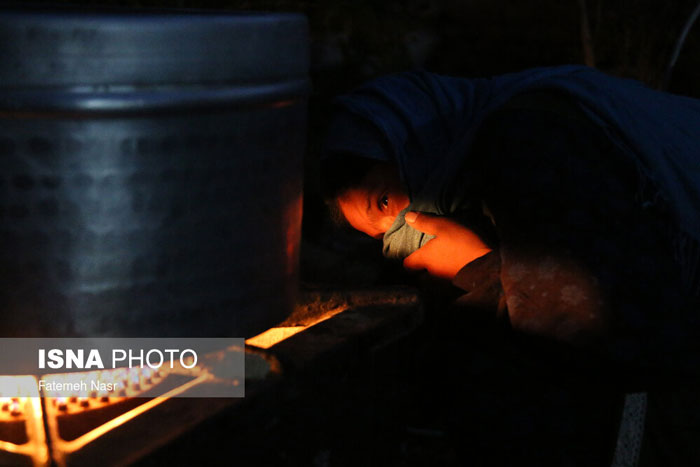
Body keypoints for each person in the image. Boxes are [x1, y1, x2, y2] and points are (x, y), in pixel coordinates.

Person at [321, 66, 700, 465]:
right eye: (381, 236)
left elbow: (609, 320)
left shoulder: (529, 138)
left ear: (409, 140)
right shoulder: (475, 166)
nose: (397, 233)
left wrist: (476, 268)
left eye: (384, 201)